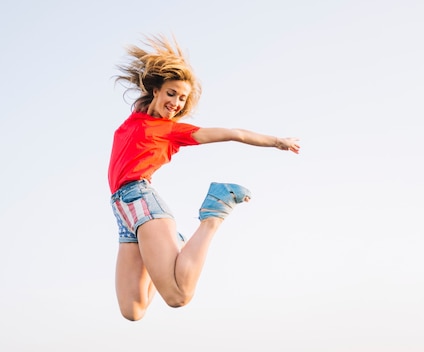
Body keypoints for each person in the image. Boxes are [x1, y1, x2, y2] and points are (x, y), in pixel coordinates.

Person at [108, 34, 300, 321]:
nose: (175, 102)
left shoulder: (172, 131)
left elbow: (233, 133)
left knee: (178, 296)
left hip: (140, 199)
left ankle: (214, 211)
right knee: (133, 311)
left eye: (182, 98)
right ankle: (174, 242)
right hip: (124, 213)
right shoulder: (137, 116)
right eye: (171, 93)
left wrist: (276, 141)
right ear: (157, 91)